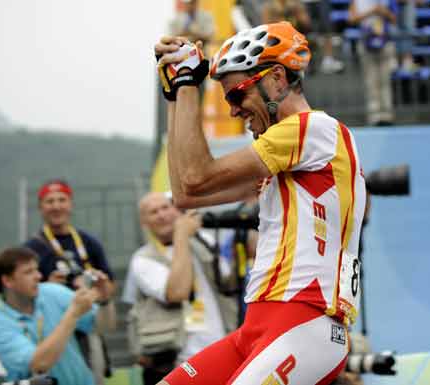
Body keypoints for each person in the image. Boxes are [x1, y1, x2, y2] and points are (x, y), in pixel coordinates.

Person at [154, 20, 366, 384]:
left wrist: (191, 84)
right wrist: (177, 94)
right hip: (258, 327)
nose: (234, 111)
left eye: (237, 95)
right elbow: (188, 193)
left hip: (305, 324)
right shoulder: (285, 160)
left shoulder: (312, 129)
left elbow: (195, 176)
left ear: (278, 79)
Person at [121, 192, 233, 385]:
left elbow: (228, 278)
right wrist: (181, 234)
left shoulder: (202, 240)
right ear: (144, 222)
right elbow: (177, 292)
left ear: (176, 210)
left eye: (166, 207)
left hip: (221, 349)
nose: (162, 215)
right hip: (177, 362)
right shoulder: (142, 259)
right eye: (153, 212)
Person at [24, 179, 116, 385]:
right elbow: (24, 295)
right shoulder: (31, 249)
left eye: (61, 200)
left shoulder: (89, 242)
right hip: (50, 328)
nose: (56, 206)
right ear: (41, 207)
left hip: (87, 326)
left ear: (70, 204)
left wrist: (97, 286)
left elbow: (109, 287)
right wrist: (47, 286)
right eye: (49, 201)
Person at [0, 246, 111, 385]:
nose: (39, 276)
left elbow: (103, 326)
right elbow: (40, 364)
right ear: (7, 281)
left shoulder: (52, 292)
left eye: (36, 269)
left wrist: (104, 300)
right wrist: (73, 314)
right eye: (28, 272)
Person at [348, 0, 398, 125]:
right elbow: (352, 19)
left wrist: (383, 11)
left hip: (385, 42)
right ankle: (374, 116)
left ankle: (387, 116)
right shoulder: (357, 1)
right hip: (366, 43)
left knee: (385, 81)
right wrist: (372, 11)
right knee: (371, 81)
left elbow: (394, 18)